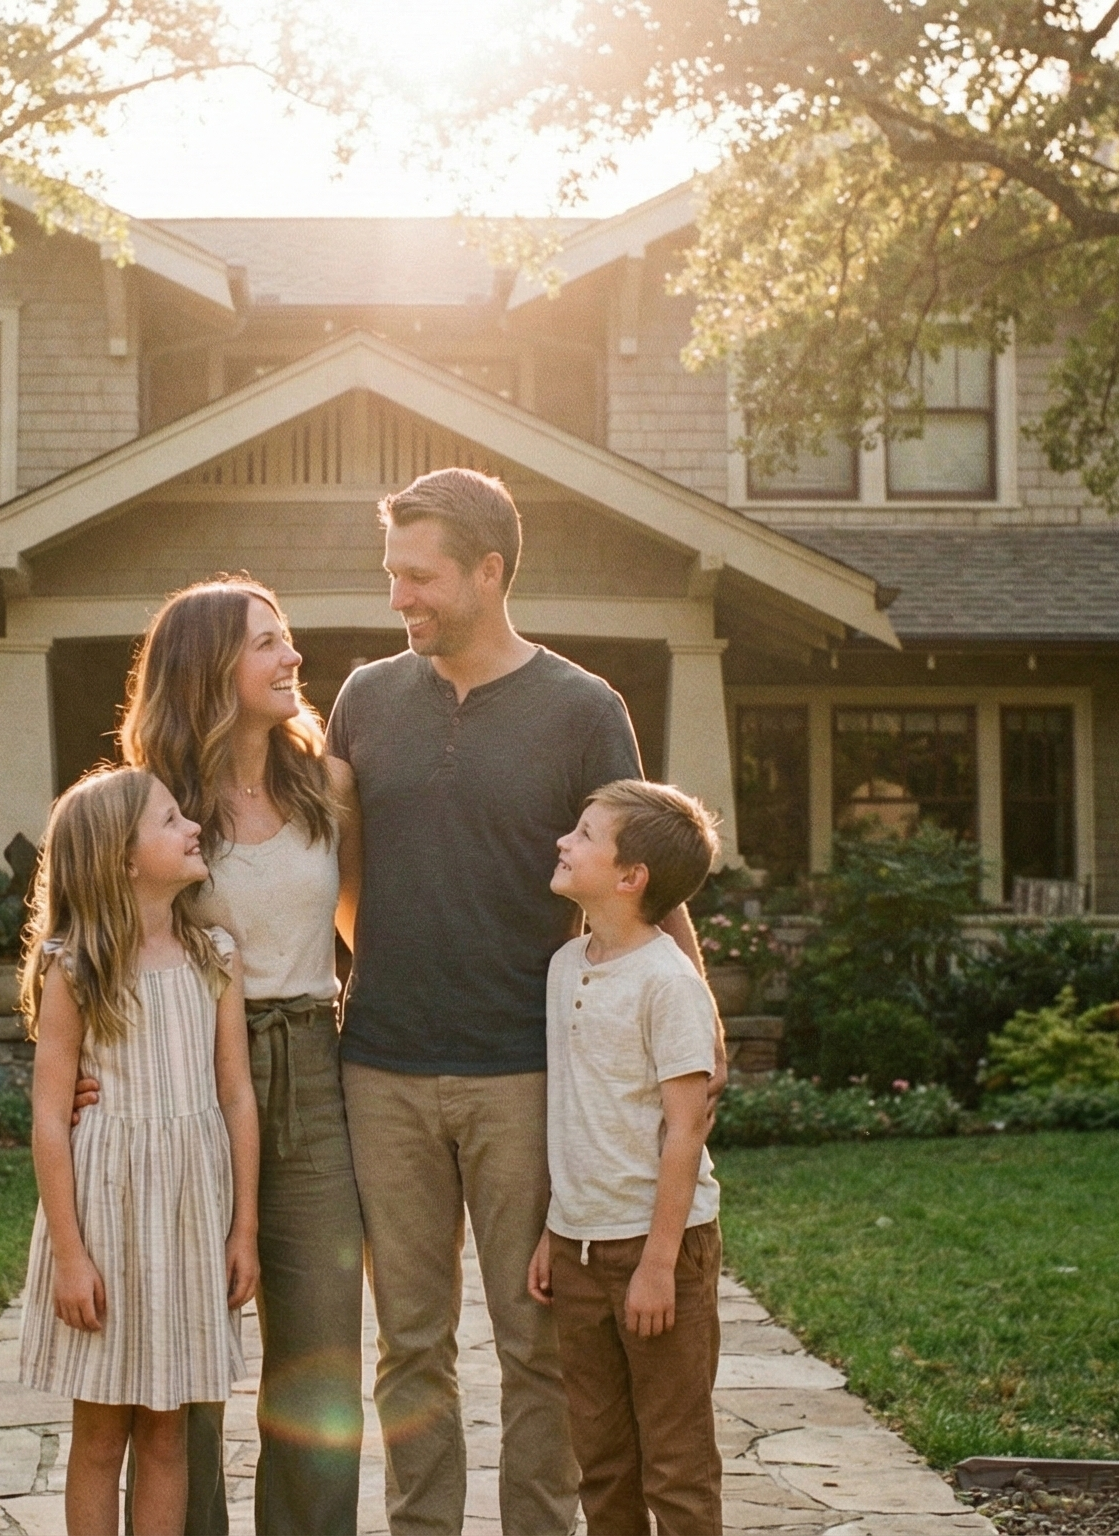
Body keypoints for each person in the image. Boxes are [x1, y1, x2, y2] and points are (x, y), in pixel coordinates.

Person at [326, 467, 716, 1536]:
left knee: (534, 1345)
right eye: (392, 575)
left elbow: (642, 878)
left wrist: (696, 1026)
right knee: (408, 1345)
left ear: (489, 571)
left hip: (525, 1075)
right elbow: (335, 864)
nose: (400, 598)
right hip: (383, 1066)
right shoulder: (364, 699)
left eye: (421, 577)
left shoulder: (584, 710)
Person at [119, 578, 367, 1534]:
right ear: (207, 669)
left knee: (320, 1353)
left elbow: (358, 927)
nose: (291, 657)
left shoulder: (327, 787)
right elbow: (95, 947)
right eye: (267, 643)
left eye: (288, 637)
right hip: (186, 1071)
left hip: (309, 1065)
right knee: (186, 1350)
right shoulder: (152, 806)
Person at [19, 767, 262, 1536]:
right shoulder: (76, 965)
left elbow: (235, 1096)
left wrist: (244, 1227)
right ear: (123, 859)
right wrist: (69, 1255)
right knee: (101, 1432)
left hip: (191, 1215)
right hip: (108, 1217)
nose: (192, 826)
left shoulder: (214, 953)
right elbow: (51, 1116)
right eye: (169, 820)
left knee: (167, 1430)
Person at [526, 780, 726, 1536]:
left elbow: (685, 1130)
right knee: (602, 1459)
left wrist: (657, 1263)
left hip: (657, 1249)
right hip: (579, 1250)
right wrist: (556, 1227)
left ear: (629, 876)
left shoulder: (669, 981)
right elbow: (576, 1113)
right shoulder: (565, 965)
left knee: (673, 1461)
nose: (562, 843)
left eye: (582, 834)